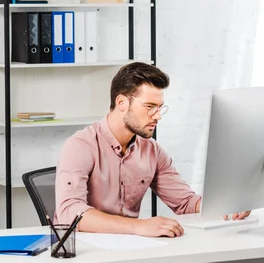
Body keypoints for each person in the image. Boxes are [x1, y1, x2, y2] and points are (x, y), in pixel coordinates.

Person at [54, 62, 250, 238]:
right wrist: (138, 226)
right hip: (84, 248)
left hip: (132, 248)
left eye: (159, 107)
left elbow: (184, 203)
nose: (157, 116)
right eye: (149, 106)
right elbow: (70, 212)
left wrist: (225, 206)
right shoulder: (81, 145)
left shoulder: (152, 151)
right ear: (122, 103)